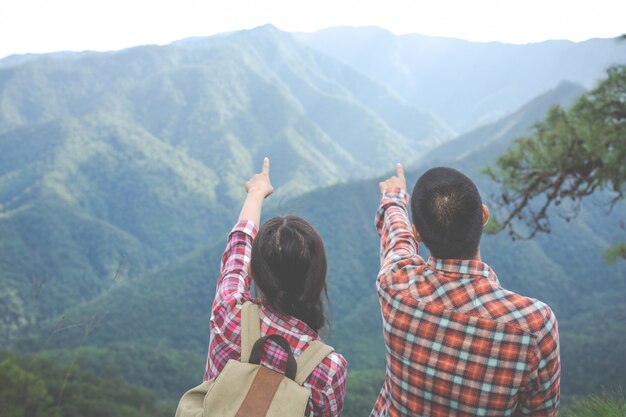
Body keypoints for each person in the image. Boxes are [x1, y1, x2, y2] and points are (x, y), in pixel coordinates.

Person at [372, 164, 560, 417]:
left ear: (417, 234)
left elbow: (397, 242)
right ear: (483, 215)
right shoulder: (534, 325)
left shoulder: (394, 286)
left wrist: (393, 198)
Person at [205, 157, 348, 417]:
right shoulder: (328, 369)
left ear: (253, 273)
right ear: (317, 279)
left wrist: (256, 194)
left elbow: (238, 249)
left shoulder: (229, 316)